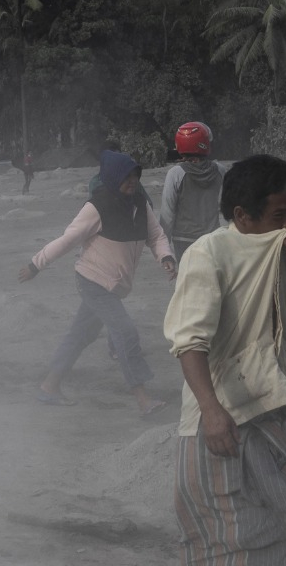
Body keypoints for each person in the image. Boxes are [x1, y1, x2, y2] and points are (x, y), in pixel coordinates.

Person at [163, 154, 286, 566]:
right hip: (220, 417)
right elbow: (189, 342)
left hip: (272, 409)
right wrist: (212, 413)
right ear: (242, 216)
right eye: (279, 216)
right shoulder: (207, 254)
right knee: (229, 535)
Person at [18, 151, 176, 413]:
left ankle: (49, 386)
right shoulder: (96, 206)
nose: (132, 182)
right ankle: (143, 400)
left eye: (135, 177)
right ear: (113, 178)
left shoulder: (140, 202)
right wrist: (36, 264)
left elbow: (156, 235)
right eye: (126, 178)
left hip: (113, 285)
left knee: (82, 333)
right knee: (125, 332)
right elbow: (67, 240)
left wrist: (166, 257)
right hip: (93, 281)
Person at [160, 121, 228, 261]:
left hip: (183, 240)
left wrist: (163, 248)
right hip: (212, 238)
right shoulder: (220, 171)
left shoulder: (175, 173)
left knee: (187, 280)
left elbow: (167, 213)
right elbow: (226, 207)